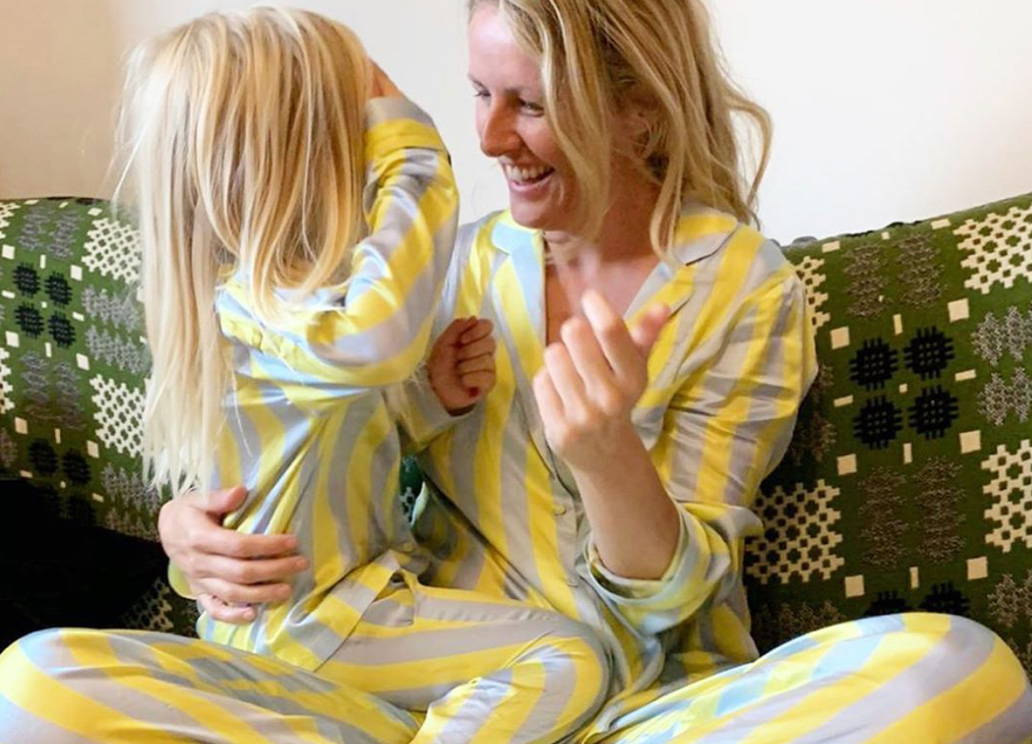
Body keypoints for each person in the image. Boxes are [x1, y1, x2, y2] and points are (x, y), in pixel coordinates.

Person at [159, 1, 1032, 741]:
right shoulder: (439, 270)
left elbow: (674, 605)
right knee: (36, 683)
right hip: (440, 702)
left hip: (649, 709)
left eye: (529, 104)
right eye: (478, 94)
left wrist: (608, 452)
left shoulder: (739, 286)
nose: (490, 137)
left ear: (639, 111)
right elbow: (331, 470)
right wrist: (188, 536)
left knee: (959, 674)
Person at [0, 8, 611, 744]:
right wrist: (409, 142)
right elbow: (374, 341)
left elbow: (318, 449)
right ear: (303, 156)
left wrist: (425, 399)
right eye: (354, 126)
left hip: (309, 632)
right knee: (565, 657)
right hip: (326, 624)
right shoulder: (267, 305)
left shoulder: (286, 308)